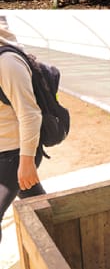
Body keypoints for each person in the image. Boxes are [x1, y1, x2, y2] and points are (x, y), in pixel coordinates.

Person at [0, 19, 46, 242]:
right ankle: (58, 250)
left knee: (35, 204)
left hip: (14, 153)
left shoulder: (7, 63)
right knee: (39, 207)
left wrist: (26, 161)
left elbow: (30, 114)